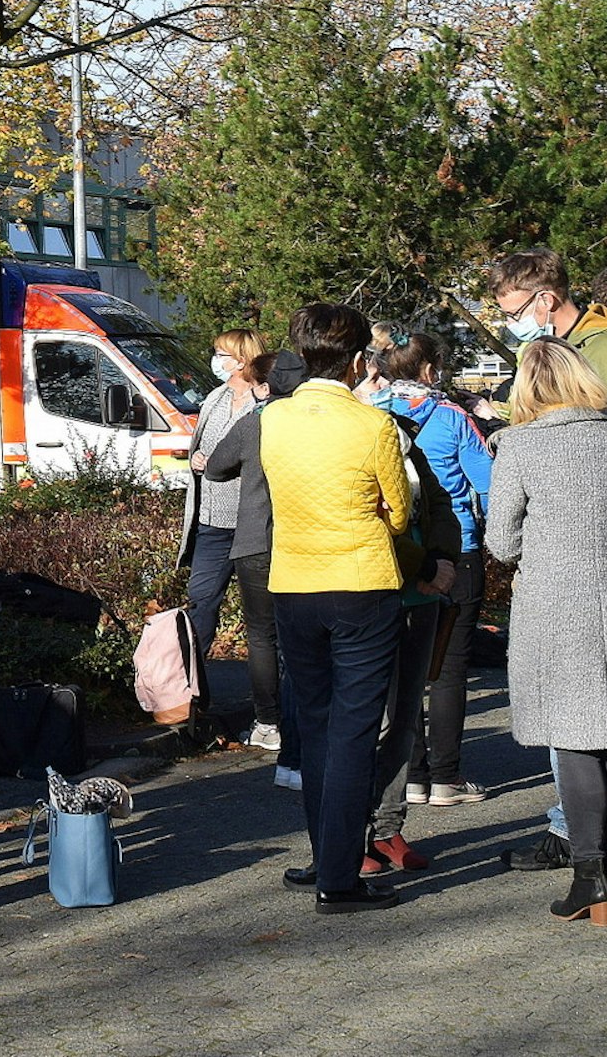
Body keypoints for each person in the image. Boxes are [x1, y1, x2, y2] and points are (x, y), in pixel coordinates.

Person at [487, 340, 607, 926]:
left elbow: (501, 542)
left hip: (554, 608)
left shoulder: (520, 445)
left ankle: (591, 876)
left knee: (574, 737)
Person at [261, 303, 411, 914]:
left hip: (293, 582)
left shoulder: (272, 418)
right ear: (355, 362)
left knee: (316, 725)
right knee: (354, 732)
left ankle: (327, 858)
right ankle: (340, 878)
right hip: (361, 582)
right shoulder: (373, 424)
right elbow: (398, 513)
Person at [371, 332, 493, 810]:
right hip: (456, 548)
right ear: (430, 370)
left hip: (396, 550)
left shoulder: (372, 413)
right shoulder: (452, 418)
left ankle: (411, 775)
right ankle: (446, 777)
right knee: (449, 666)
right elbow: (488, 483)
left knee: (401, 669)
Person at [206, 350, 306, 789]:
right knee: (300, 637)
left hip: (254, 540)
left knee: (262, 635)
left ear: (264, 387)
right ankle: (303, 719)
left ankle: (269, 722)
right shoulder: (313, 421)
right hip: (302, 541)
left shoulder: (255, 423)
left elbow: (215, 467)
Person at [488, 249, 607, 445]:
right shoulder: (545, 351)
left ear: (546, 300)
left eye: (515, 314)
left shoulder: (606, 350)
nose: (510, 323)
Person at [179, 329, 271, 671]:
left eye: (222, 354)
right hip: (211, 521)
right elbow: (200, 444)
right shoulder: (215, 397)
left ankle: (274, 692)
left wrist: (222, 463)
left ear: (242, 360)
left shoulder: (265, 403)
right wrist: (196, 459)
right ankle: (191, 683)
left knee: (263, 615)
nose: (215, 360)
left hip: (252, 524)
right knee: (201, 599)